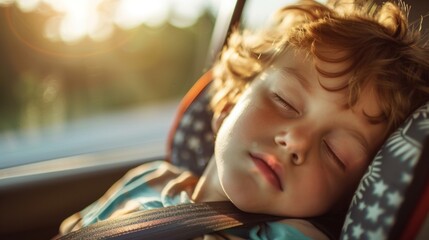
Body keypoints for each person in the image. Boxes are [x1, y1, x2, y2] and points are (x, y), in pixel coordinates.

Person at [58, 0, 429, 239]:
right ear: (229, 103)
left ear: (346, 195)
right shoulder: (149, 179)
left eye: (335, 152)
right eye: (285, 100)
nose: (296, 141)